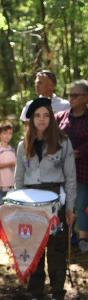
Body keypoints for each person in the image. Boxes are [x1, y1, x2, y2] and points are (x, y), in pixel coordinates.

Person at [16, 97, 76, 300]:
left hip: (55, 200)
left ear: (51, 118)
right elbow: (19, 181)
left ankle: (58, 298)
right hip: (31, 202)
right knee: (34, 250)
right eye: (37, 116)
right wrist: (19, 208)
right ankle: (36, 297)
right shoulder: (24, 145)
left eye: (46, 115)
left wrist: (70, 207)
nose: (41, 120)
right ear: (31, 120)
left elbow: (70, 178)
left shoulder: (62, 142)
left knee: (57, 250)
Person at [56, 80, 88, 253]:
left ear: (85, 98)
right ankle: (67, 236)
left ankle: (83, 237)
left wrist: (78, 152)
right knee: (64, 202)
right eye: (70, 95)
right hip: (62, 169)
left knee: (82, 203)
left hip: (83, 168)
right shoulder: (61, 117)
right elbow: (52, 137)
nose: (71, 98)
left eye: (76, 95)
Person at [0, 120, 17, 202]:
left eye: (10, 133)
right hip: (1, 184)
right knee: (1, 206)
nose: (8, 136)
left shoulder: (12, 149)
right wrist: (10, 163)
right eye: (5, 133)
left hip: (11, 183)